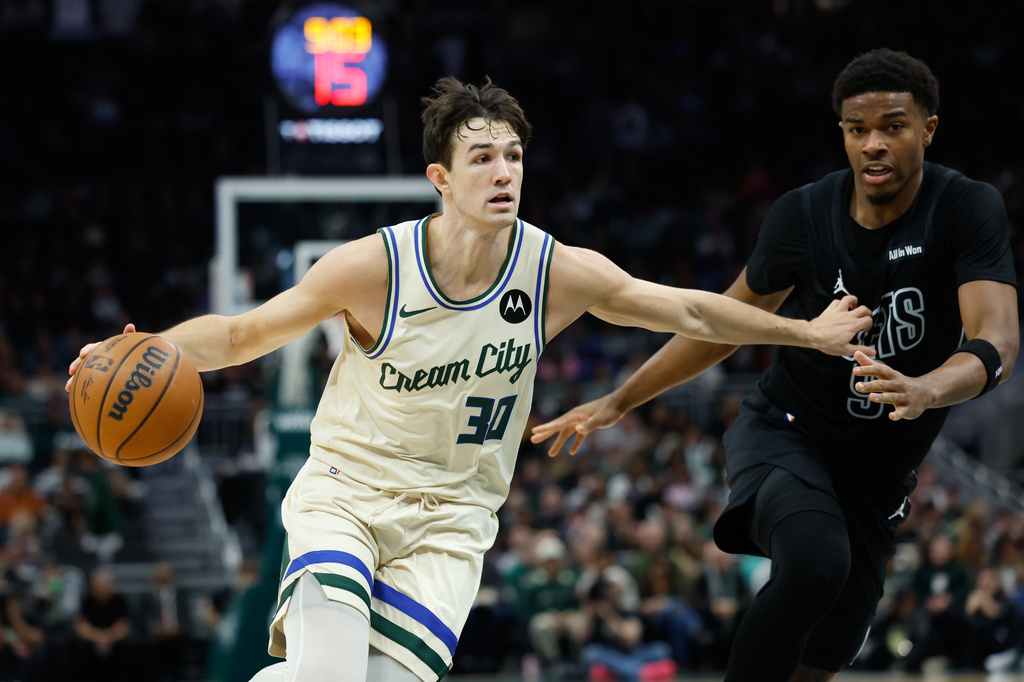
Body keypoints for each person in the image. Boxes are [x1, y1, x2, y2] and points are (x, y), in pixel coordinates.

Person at [67, 77, 874, 682]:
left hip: (454, 519)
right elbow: (242, 333)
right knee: (329, 671)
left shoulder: (556, 270)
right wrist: (144, 350)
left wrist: (804, 330)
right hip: (349, 489)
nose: (503, 172)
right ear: (441, 178)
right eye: (481, 157)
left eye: (514, 156)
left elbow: (692, 313)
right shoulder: (372, 267)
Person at [532, 48, 1019, 682]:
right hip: (788, 432)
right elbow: (717, 327)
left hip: (878, 478)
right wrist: (619, 401)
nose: (873, 144)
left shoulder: (966, 209)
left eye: (893, 127)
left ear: (928, 129)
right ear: (841, 132)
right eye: (856, 129)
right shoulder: (804, 215)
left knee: (821, 659)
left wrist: (927, 388)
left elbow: (998, 341)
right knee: (815, 561)